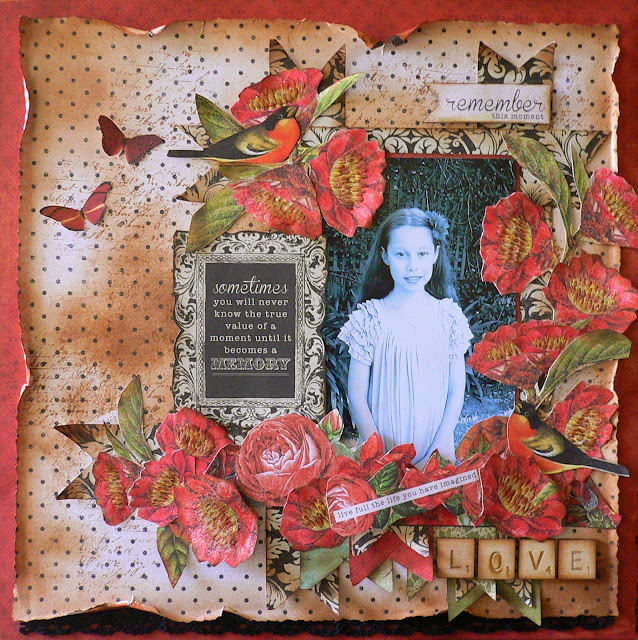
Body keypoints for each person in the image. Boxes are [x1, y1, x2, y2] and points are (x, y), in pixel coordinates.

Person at [339, 208, 472, 468]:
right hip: (383, 459)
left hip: (436, 455)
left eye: (422, 254)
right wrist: (379, 456)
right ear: (385, 256)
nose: (413, 265)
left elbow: (456, 390)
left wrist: (438, 449)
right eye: (401, 254)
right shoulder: (370, 318)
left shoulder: (448, 317)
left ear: (435, 254)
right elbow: (356, 394)